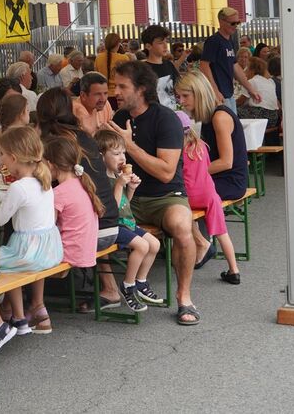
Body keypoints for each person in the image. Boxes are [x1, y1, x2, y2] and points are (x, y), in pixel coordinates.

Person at [111, 61, 199, 326]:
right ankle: (108, 290)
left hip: (165, 196)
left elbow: (166, 172)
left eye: (122, 86)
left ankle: (184, 297)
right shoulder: (118, 118)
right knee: (95, 221)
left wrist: (128, 145)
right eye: (115, 86)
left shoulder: (166, 118)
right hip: (129, 196)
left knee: (182, 227)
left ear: (141, 89)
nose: (116, 92)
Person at [35, 88, 131, 312]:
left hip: (95, 228)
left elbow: (43, 182)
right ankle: (109, 288)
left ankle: (29, 302)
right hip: (110, 219)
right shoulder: (83, 135)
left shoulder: (54, 141)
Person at [0, 125, 63, 335]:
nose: (1, 159)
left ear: (13, 158)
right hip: (50, 249)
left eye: (2, 154)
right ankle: (27, 309)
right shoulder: (44, 179)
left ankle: (18, 317)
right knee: (10, 258)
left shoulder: (19, 187)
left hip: (28, 251)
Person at [93, 130, 163, 311]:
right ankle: (128, 285)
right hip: (114, 226)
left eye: (123, 153)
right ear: (102, 156)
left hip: (127, 223)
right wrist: (119, 185)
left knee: (154, 244)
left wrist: (130, 188)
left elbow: (125, 204)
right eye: (116, 154)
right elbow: (112, 211)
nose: (122, 158)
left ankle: (141, 281)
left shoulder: (117, 176)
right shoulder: (102, 180)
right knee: (142, 246)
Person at [176, 112, 241, 283]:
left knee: (179, 211)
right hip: (210, 194)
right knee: (222, 232)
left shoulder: (177, 150)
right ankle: (234, 270)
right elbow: (206, 168)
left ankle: (199, 245)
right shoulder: (202, 146)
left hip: (189, 195)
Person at [175, 72, 249, 201]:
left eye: (185, 96)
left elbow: (226, 162)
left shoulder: (219, 117)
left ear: (200, 93)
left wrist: (191, 172)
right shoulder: (211, 116)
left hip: (230, 182)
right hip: (219, 177)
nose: (181, 101)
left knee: (177, 194)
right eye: (179, 97)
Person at [44, 134, 103, 275]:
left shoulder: (59, 193)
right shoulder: (82, 183)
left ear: (50, 165)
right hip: (85, 251)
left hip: (69, 254)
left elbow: (47, 227)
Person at [199, 7, 261, 113]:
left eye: (237, 23)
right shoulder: (214, 41)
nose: (235, 26)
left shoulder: (229, 41)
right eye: (232, 23)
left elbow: (235, 66)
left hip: (228, 93)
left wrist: (251, 89)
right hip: (219, 94)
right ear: (221, 22)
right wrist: (215, 91)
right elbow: (204, 66)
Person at [0, 94, 30, 176]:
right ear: (21, 114)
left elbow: (2, 164)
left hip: (5, 177)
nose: (29, 114)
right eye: (27, 111)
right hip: (21, 176)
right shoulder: (26, 135)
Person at [237, 57, 280, 131]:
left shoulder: (252, 81)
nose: (244, 71)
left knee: (231, 112)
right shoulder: (270, 82)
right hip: (273, 117)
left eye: (247, 68)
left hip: (260, 115)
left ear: (252, 70)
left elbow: (240, 101)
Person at [141, 25, 179, 110]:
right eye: (160, 43)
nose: (165, 46)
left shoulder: (169, 65)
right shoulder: (143, 70)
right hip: (154, 113)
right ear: (148, 46)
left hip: (173, 110)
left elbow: (178, 86)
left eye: (166, 41)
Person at [95, 33, 130, 109]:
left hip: (103, 95)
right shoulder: (124, 58)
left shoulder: (98, 58)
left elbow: (96, 76)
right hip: (120, 94)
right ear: (118, 44)